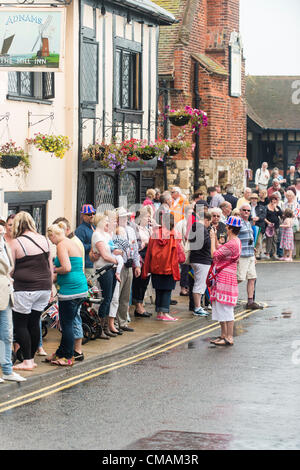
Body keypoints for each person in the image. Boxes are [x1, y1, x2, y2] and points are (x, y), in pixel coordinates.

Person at [10, 212, 53, 371]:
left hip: (25, 289)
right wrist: (51, 289)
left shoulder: (16, 243)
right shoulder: (44, 240)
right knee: (34, 322)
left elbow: (11, 269)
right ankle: (31, 359)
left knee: (20, 324)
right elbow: (50, 267)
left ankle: (27, 361)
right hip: (44, 288)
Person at [47, 222, 88, 366]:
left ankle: (68, 357)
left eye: (50, 238)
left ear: (53, 235)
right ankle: (60, 353)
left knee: (67, 324)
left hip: (71, 290)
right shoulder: (71, 243)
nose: (51, 242)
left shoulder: (61, 245)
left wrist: (52, 269)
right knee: (67, 322)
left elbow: (66, 267)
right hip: (80, 288)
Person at [142, 213, 185, 322]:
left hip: (156, 268)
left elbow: (149, 253)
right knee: (167, 291)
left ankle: (159, 312)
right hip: (169, 268)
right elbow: (179, 255)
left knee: (158, 290)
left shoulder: (154, 234)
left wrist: (146, 269)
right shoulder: (174, 235)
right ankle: (165, 313)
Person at [209, 216, 242, 346]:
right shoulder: (235, 241)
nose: (226, 228)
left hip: (225, 278)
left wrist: (212, 239)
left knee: (226, 308)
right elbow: (221, 248)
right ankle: (223, 335)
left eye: (227, 226)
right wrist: (216, 238)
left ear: (230, 228)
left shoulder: (232, 243)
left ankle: (229, 337)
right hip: (224, 277)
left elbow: (214, 254)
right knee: (219, 307)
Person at [0, 220, 26, 383]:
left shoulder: (4, 244)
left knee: (7, 334)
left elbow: (9, 267)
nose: (3, 230)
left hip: (5, 292)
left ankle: (7, 370)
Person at [91, 214, 122, 338]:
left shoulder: (106, 235)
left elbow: (113, 250)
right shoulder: (97, 235)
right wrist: (117, 261)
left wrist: (118, 253)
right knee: (106, 298)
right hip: (103, 269)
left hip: (111, 268)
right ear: (100, 222)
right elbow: (104, 255)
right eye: (106, 221)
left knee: (109, 298)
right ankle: (100, 328)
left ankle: (105, 327)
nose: (108, 223)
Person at [115, 207, 141, 332]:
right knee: (116, 297)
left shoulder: (130, 230)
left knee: (125, 296)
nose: (125, 219)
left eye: (126, 217)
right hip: (118, 267)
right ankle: (114, 323)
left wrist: (137, 265)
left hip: (129, 266)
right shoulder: (114, 231)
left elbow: (135, 248)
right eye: (122, 217)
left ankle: (122, 322)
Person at [237, 204, 263, 309]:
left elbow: (250, 238)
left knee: (252, 278)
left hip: (250, 255)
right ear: (240, 211)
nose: (247, 212)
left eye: (248, 210)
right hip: (242, 255)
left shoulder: (249, 223)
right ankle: (229, 297)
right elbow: (233, 238)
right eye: (244, 210)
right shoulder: (237, 223)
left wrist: (253, 252)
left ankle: (250, 301)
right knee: (239, 279)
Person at [189, 212, 212, 316]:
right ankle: (197, 307)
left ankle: (198, 307)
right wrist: (211, 236)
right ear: (206, 220)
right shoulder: (202, 229)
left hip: (196, 259)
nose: (209, 225)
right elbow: (206, 244)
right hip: (202, 260)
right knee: (200, 284)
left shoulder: (194, 228)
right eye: (209, 222)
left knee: (199, 284)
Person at [131, 207, 153, 317]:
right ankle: (138, 306)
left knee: (145, 282)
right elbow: (137, 245)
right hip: (140, 257)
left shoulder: (148, 229)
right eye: (147, 216)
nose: (149, 218)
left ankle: (140, 305)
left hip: (148, 258)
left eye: (149, 216)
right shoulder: (136, 228)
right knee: (138, 282)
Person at [75, 204, 96, 279]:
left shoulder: (93, 227)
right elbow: (79, 247)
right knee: (92, 288)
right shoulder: (80, 230)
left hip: (95, 264)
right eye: (89, 214)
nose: (92, 215)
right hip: (88, 265)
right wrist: (93, 246)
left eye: (93, 213)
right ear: (83, 215)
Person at [264, 194, 283, 260]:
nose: (274, 201)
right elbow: (264, 217)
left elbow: (281, 214)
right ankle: (268, 253)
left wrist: (275, 208)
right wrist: (268, 223)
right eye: (273, 199)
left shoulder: (277, 207)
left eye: (275, 200)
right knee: (269, 240)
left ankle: (274, 254)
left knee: (275, 240)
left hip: (276, 226)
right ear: (271, 200)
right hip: (269, 226)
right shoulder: (266, 207)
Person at [249, 193, 267, 260]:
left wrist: (258, 218)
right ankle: (250, 253)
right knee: (250, 240)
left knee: (258, 241)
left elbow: (264, 215)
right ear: (250, 199)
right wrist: (251, 218)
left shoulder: (261, 207)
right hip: (249, 225)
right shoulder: (247, 206)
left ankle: (256, 254)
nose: (254, 200)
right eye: (252, 198)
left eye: (255, 198)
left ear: (257, 199)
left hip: (259, 226)